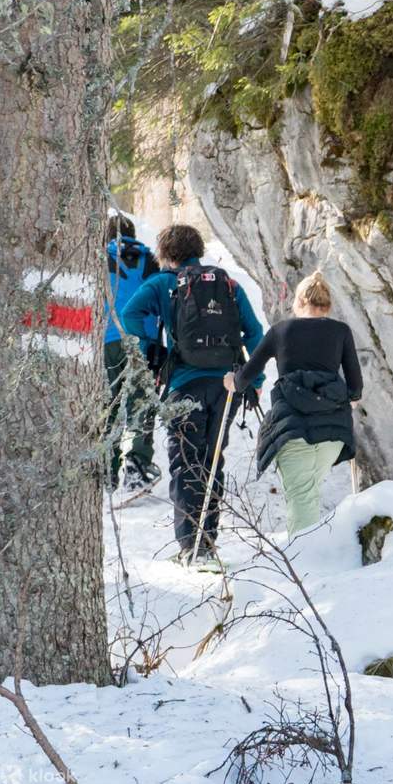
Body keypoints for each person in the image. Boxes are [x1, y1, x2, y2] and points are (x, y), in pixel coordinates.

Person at [122, 224, 264, 569]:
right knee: (212, 460)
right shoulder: (227, 283)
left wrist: (152, 348)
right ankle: (208, 544)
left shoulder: (162, 283)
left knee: (186, 461)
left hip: (183, 382)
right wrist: (254, 379)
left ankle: (191, 547)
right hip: (226, 386)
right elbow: (255, 332)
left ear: (166, 254)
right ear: (198, 250)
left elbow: (129, 315)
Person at [224, 271, 361, 536]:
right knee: (307, 494)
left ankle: (305, 566)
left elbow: (246, 376)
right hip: (333, 430)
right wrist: (351, 399)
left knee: (301, 497)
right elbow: (355, 386)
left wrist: (233, 381)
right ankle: (314, 558)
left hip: (293, 428)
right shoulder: (341, 332)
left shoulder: (281, 331)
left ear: (298, 303)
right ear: (328, 305)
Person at [103, 212, 161, 492]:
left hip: (105, 342)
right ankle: (136, 467)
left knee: (108, 406)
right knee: (140, 403)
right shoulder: (150, 261)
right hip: (141, 342)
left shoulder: (96, 258)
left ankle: (106, 470)